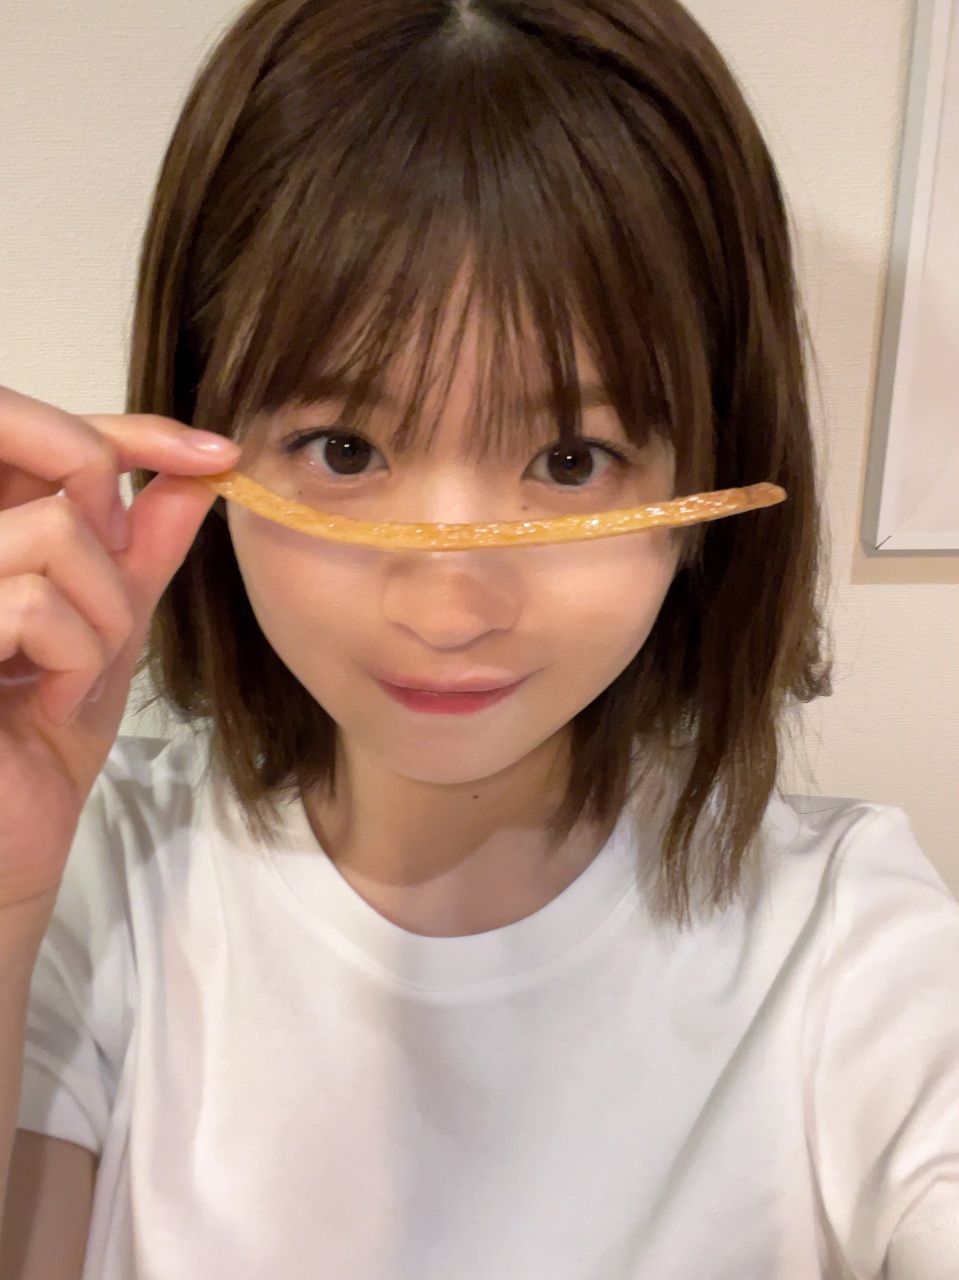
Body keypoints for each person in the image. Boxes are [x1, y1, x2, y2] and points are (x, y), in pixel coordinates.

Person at [0, 1, 956, 1276]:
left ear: (710, 472)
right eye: (344, 449)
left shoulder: (848, 941)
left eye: (570, 459)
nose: (448, 611)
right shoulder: (92, 874)